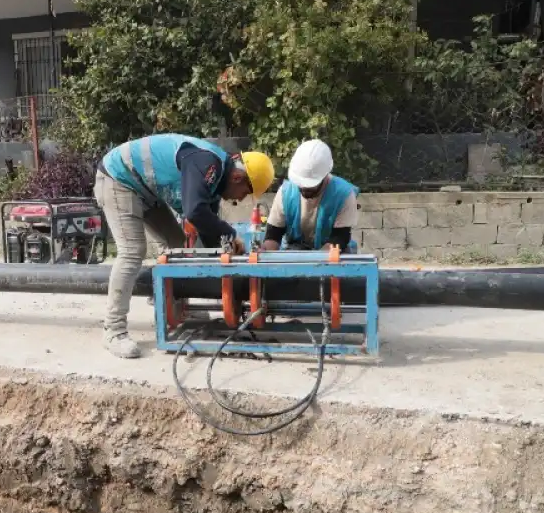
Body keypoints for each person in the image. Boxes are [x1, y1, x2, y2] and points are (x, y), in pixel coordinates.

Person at [94, 133, 275, 359]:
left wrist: (232, 260)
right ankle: (114, 330)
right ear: (238, 177)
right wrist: (230, 234)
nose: (238, 200)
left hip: (144, 189)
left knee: (178, 246)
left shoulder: (215, 180)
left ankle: (181, 309)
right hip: (119, 177)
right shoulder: (207, 163)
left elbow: (208, 232)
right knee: (132, 251)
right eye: (245, 192)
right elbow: (195, 212)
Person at [263, 139, 359, 252]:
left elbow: (340, 237)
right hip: (295, 249)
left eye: (310, 185)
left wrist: (315, 263)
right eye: (301, 184)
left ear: (324, 176)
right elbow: (273, 235)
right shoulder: (285, 192)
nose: (304, 188)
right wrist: (265, 254)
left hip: (333, 250)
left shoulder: (344, 194)